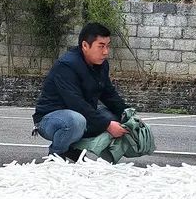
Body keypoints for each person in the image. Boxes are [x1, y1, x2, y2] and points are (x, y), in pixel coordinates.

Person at [33, 22, 129, 160]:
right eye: (101, 46)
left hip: (80, 115)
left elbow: (109, 94)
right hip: (50, 119)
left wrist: (127, 113)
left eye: (108, 46)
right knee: (77, 121)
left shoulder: (101, 65)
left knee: (113, 118)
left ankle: (73, 150)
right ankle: (57, 154)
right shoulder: (67, 65)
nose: (106, 51)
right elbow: (76, 103)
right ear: (85, 46)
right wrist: (106, 125)